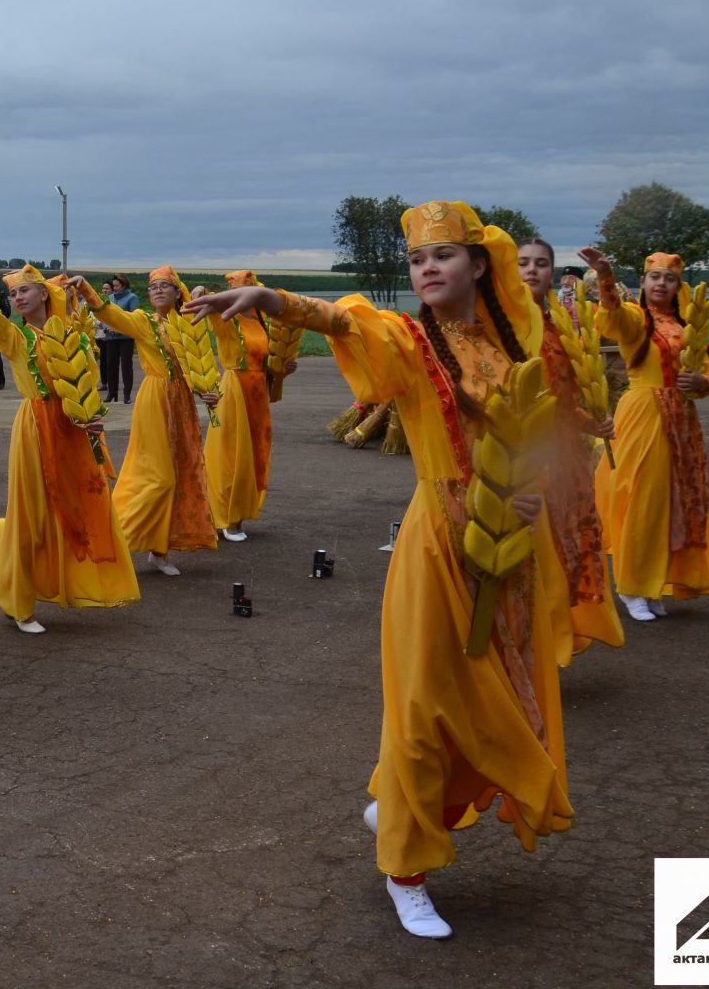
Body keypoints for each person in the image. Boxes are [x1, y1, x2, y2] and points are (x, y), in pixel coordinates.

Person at [187, 200, 570, 942]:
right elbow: (344, 321)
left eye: (444, 257)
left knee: (499, 702)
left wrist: (532, 495)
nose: (427, 269)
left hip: (514, 543)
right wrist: (270, 299)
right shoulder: (409, 340)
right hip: (439, 544)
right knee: (425, 707)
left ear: (478, 266)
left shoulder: (513, 343)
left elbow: (541, 431)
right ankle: (405, 868)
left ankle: (397, 807)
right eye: (418, 260)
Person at [0, 238, 138, 634]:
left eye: (24, 290)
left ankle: (3, 540)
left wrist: (93, 419)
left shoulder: (76, 337)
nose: (16, 298)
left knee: (76, 507)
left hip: (74, 430)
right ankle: (20, 604)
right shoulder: (17, 339)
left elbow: (88, 385)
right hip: (35, 426)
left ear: (45, 293)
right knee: (33, 511)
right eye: (12, 293)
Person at [580, 247, 709, 622]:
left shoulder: (685, 327)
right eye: (655, 277)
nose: (662, 283)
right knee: (642, 499)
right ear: (643, 283)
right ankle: (632, 586)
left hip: (681, 420)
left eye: (669, 278)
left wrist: (701, 380)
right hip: (644, 414)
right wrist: (606, 276)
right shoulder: (635, 319)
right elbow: (611, 316)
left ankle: (656, 582)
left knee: (676, 501)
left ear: (679, 286)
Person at [517, 239, 623, 656]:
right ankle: (523, 646)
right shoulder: (498, 328)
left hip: (564, 458)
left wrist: (594, 422)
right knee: (526, 552)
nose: (532, 270)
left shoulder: (563, 327)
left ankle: (554, 641)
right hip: (520, 457)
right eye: (522, 263)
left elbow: (567, 401)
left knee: (564, 548)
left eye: (541, 264)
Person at [75, 268, 219, 575]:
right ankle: (111, 537)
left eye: (165, 286)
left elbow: (201, 363)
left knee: (180, 475)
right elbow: (111, 315)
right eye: (153, 287)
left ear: (178, 290)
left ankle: (159, 551)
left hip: (181, 402)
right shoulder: (143, 321)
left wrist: (209, 392)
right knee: (156, 477)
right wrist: (88, 290)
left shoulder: (189, 323)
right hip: (155, 399)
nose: (158, 291)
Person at [199, 268, 287, 542]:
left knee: (255, 452)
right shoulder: (226, 317)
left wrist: (284, 367)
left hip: (258, 390)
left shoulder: (262, 320)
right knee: (230, 453)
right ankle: (226, 516)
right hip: (235, 387)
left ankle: (239, 512)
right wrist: (200, 291)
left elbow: (269, 360)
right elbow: (203, 298)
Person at [96, 275, 139, 403]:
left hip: (126, 337)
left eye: (116, 286)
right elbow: (104, 315)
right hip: (111, 338)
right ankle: (112, 393)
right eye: (113, 286)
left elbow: (134, 317)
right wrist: (106, 327)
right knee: (111, 366)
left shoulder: (132, 298)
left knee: (126, 366)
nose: (113, 288)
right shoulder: (110, 298)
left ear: (124, 286)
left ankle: (127, 395)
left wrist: (119, 328)